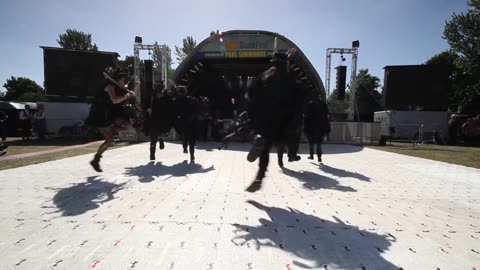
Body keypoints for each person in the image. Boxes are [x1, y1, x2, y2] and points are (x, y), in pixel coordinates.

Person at [246, 48, 306, 192]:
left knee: (264, 148)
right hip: (283, 122)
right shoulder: (291, 79)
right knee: (289, 138)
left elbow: (252, 96)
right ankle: (291, 154)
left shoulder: (264, 76)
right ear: (285, 64)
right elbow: (300, 100)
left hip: (265, 120)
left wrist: (252, 118)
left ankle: (260, 175)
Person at [88, 67, 139, 172]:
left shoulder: (120, 87)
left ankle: (96, 159)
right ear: (118, 79)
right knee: (109, 140)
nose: (124, 81)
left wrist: (136, 87)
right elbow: (115, 100)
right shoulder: (109, 87)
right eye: (123, 79)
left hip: (111, 114)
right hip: (101, 115)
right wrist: (127, 95)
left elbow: (130, 95)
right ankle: (96, 159)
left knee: (126, 124)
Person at [304, 97, 330, 163]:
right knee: (319, 143)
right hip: (321, 127)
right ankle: (319, 157)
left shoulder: (310, 104)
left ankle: (311, 155)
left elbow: (306, 116)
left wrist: (305, 127)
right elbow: (326, 116)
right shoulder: (323, 104)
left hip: (311, 127)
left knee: (311, 142)